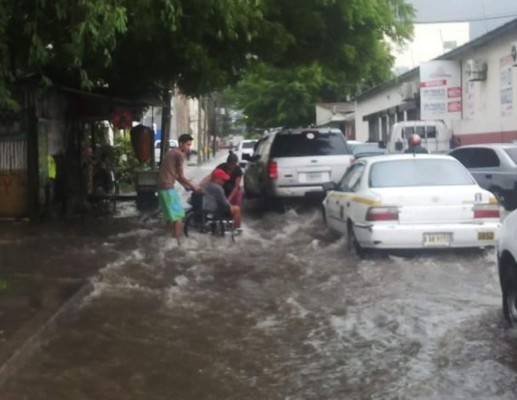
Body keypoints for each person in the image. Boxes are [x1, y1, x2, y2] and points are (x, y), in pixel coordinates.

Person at [157, 133, 201, 245]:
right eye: (187, 145)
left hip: (161, 187)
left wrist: (185, 185)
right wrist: (193, 186)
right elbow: (181, 176)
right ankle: (178, 243)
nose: (189, 148)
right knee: (179, 217)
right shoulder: (179, 155)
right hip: (167, 188)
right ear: (181, 143)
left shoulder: (170, 153)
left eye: (190, 145)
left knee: (170, 217)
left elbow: (175, 175)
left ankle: (166, 241)